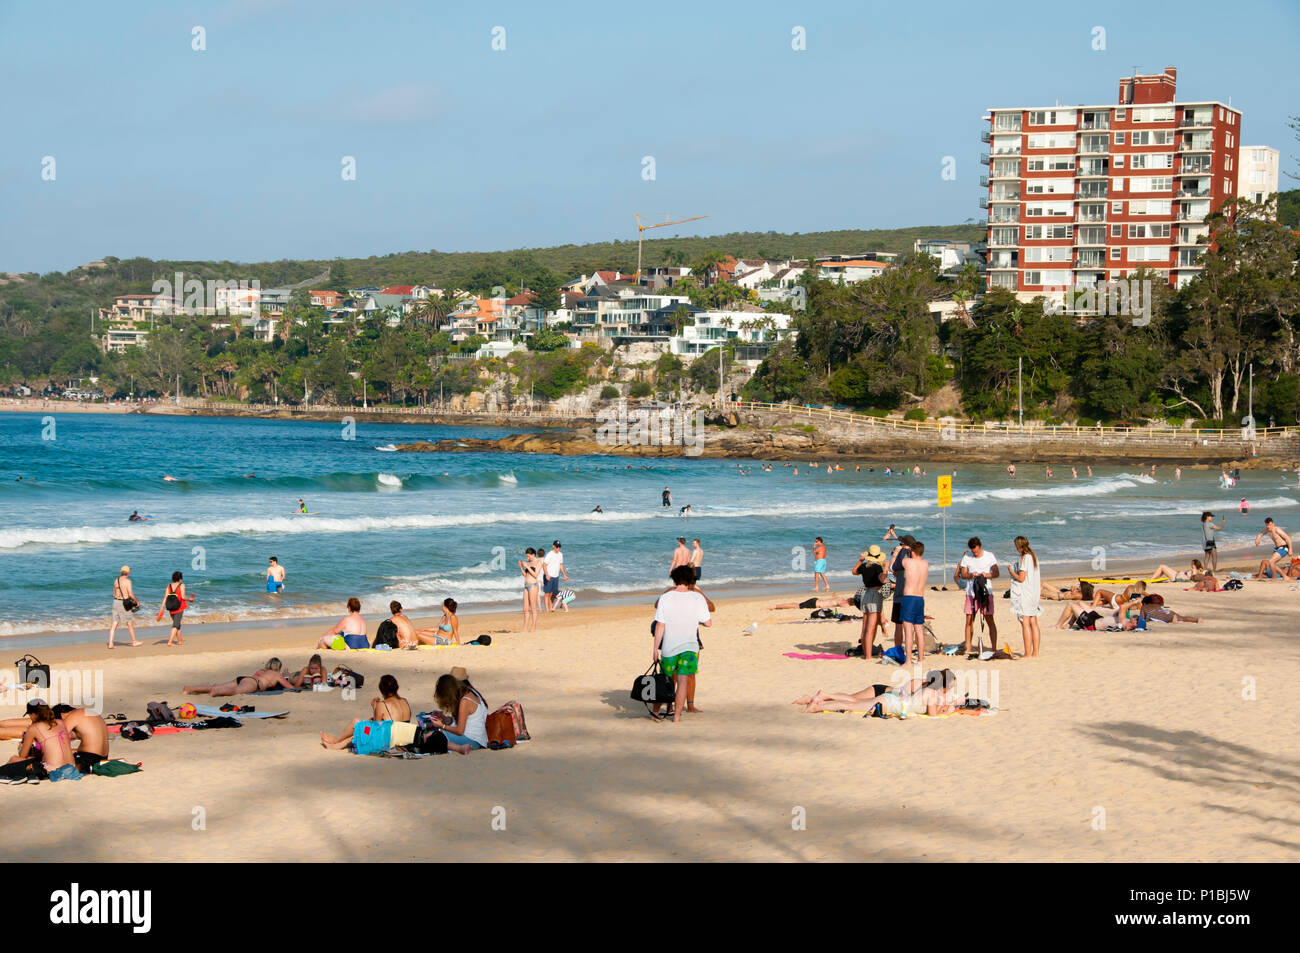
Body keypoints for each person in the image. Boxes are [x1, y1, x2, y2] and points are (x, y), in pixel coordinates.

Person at [652, 565, 712, 723]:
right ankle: (677, 717)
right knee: (683, 681)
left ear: (674, 579)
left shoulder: (666, 597)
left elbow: (660, 625)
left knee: (665, 680)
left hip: (669, 646)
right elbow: (708, 623)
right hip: (690, 647)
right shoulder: (697, 598)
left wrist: (654, 649)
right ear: (691, 580)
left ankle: (655, 713)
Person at [793, 670, 972, 716]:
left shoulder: (925, 687)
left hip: (889, 698)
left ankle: (817, 700)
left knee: (852, 701)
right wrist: (950, 709)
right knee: (851, 702)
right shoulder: (928, 690)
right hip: (888, 697)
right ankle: (818, 703)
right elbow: (932, 713)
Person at [320, 674, 412, 749]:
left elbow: (376, 730)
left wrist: (375, 708)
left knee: (356, 723)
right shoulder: (405, 701)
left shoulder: (382, 704)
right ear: (396, 688)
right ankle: (337, 742)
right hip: (402, 740)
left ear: (382, 690)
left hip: (387, 742)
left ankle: (337, 742)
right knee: (363, 726)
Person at [8, 700, 79, 782]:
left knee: (14, 759)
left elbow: (22, 756)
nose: (30, 717)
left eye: (30, 715)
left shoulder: (34, 728)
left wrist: (21, 745)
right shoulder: (61, 722)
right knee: (33, 759)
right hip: (72, 766)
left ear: (33, 714)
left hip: (52, 768)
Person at [958, 537, 999, 654]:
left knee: (989, 619)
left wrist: (987, 575)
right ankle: (968, 647)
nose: (974, 553)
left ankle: (994, 648)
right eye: (973, 551)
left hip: (986, 592)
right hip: (971, 593)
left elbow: (996, 573)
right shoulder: (967, 557)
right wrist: (971, 575)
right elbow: (963, 574)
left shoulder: (989, 556)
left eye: (976, 551)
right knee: (969, 620)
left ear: (980, 546)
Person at [430, 673, 488, 754]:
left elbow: (460, 731)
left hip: (472, 740)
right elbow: (465, 721)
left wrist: (442, 726)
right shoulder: (471, 692)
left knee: (432, 737)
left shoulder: (465, 701)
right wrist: (444, 718)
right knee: (433, 736)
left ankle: (460, 748)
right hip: (478, 739)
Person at [183, 657, 296, 696]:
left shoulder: (262, 670)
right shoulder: (276, 674)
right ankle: (216, 691)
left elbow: (253, 678)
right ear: (278, 668)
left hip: (244, 678)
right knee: (235, 691)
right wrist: (285, 675)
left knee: (219, 685)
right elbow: (290, 687)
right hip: (253, 684)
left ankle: (191, 689)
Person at [1008, 535, 1042, 658]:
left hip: (1026, 593)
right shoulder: (1034, 557)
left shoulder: (1024, 558)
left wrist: (1012, 571)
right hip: (1034, 593)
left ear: (1019, 546)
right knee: (1034, 622)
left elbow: (1021, 578)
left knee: (1025, 622)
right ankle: (1035, 652)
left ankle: (1027, 653)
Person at [52, 705, 110, 772]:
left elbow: (58, 739)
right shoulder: (89, 713)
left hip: (88, 758)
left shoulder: (73, 715)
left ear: (62, 714)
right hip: (103, 758)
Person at [853, 545, 888, 655]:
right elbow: (883, 580)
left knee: (865, 627)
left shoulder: (864, 566)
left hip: (866, 594)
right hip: (874, 595)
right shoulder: (877, 567)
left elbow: (854, 572)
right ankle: (867, 656)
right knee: (870, 629)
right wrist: (886, 568)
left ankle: (865, 651)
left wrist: (860, 561)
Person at [899, 540, 929, 664]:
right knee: (919, 630)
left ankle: (908, 661)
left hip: (909, 598)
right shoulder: (926, 563)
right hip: (920, 598)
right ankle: (920, 659)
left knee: (908, 630)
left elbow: (899, 561)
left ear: (912, 551)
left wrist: (903, 549)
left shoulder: (908, 562)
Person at [887, 534, 916, 648]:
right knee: (911, 625)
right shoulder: (916, 556)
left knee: (899, 625)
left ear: (904, 545)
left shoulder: (903, 554)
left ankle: (899, 649)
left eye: (901, 544)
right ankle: (909, 649)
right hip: (913, 594)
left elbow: (893, 567)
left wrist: (897, 553)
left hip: (900, 594)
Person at [108, 565, 142, 649]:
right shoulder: (128, 581)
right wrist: (137, 601)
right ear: (128, 573)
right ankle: (134, 642)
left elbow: (114, 593)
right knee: (129, 622)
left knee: (114, 623)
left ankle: (110, 643)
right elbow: (130, 594)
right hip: (124, 603)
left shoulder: (116, 580)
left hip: (115, 601)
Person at [158, 570, 192, 646]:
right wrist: (190, 599)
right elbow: (183, 597)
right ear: (180, 579)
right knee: (176, 625)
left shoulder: (169, 586)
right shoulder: (181, 585)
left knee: (177, 624)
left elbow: (165, 597)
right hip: (179, 607)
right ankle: (170, 642)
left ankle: (179, 640)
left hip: (171, 607)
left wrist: (162, 607)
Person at [543, 540, 570, 612]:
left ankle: (551, 607)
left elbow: (561, 565)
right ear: (553, 546)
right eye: (557, 547)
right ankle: (547, 610)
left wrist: (565, 575)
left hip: (556, 576)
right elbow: (544, 565)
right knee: (547, 593)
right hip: (549, 576)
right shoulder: (549, 554)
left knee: (552, 594)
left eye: (559, 547)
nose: (558, 548)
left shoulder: (560, 554)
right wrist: (547, 575)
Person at [520, 548, 540, 632]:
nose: (528, 558)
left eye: (529, 556)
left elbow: (535, 575)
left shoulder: (538, 562)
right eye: (527, 557)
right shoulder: (528, 562)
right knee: (525, 609)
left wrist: (527, 566)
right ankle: (524, 628)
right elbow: (525, 575)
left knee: (533, 608)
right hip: (526, 586)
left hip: (533, 586)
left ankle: (533, 627)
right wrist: (521, 567)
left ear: (533, 554)